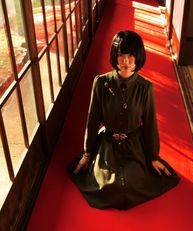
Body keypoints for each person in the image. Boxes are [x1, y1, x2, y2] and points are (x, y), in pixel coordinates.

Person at [68, 30, 180, 210]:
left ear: (138, 57)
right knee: (106, 186)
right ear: (114, 56)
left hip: (135, 145)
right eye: (121, 55)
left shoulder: (146, 87)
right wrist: (87, 153)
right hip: (107, 144)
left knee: (131, 185)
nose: (126, 62)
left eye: (131, 56)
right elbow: (92, 119)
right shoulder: (101, 83)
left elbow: (150, 124)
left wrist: (153, 157)